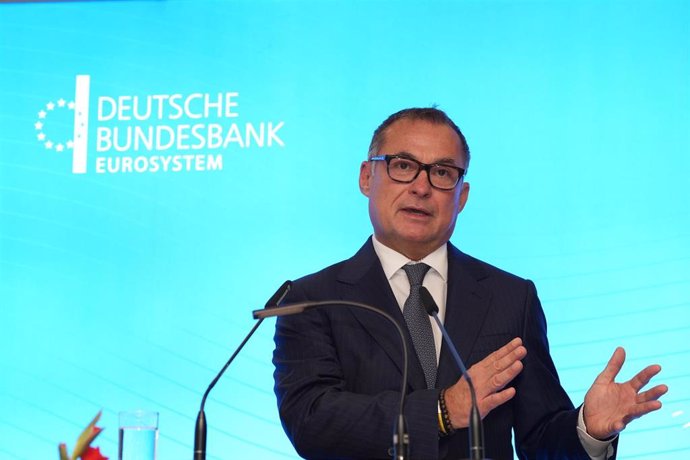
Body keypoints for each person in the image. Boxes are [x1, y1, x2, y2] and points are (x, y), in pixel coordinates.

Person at [272, 108, 667, 460]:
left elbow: (539, 439)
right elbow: (312, 423)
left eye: (443, 172)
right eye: (403, 166)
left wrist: (588, 430)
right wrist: (442, 411)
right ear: (366, 176)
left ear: (462, 196)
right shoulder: (313, 299)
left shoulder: (511, 297)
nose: (422, 187)